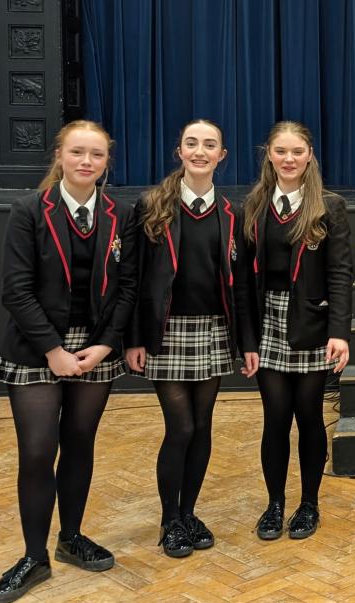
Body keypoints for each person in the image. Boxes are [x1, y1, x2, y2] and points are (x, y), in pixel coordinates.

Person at [0, 121, 138, 603]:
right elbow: (16, 288)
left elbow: (127, 288)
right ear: (60, 156)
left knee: (79, 444)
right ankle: (34, 557)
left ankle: (70, 537)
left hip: (94, 346)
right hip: (37, 347)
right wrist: (53, 350)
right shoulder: (30, 210)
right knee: (37, 450)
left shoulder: (121, 214)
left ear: (106, 162)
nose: (86, 162)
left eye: (96, 155)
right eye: (78, 152)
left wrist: (107, 344)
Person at [126, 120, 259, 558]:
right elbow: (134, 279)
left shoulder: (231, 214)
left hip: (214, 331)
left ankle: (189, 512)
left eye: (210, 145)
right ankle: (169, 520)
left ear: (222, 155)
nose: (200, 151)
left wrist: (247, 342)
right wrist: (134, 338)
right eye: (191, 143)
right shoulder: (151, 206)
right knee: (180, 426)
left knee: (202, 427)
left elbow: (240, 285)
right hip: (166, 333)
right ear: (179, 151)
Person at [242, 121, 353, 540]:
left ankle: (309, 503)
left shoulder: (328, 205)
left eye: (297, 151)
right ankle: (274, 505)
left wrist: (339, 331)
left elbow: (341, 273)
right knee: (275, 418)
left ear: (310, 156)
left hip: (310, 324)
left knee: (309, 417)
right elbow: (242, 279)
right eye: (281, 151)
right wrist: (247, 339)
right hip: (269, 323)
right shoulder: (253, 205)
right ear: (268, 155)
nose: (289, 159)